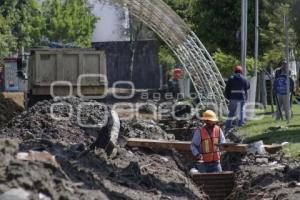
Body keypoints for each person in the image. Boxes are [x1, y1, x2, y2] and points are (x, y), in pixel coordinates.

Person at [224, 65, 250, 133]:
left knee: (232, 111)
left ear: (234, 71)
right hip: (242, 97)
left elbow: (227, 89)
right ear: (241, 71)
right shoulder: (244, 78)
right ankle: (240, 124)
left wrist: (228, 97)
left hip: (233, 97)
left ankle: (228, 126)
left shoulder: (231, 78)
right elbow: (248, 86)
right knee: (241, 110)